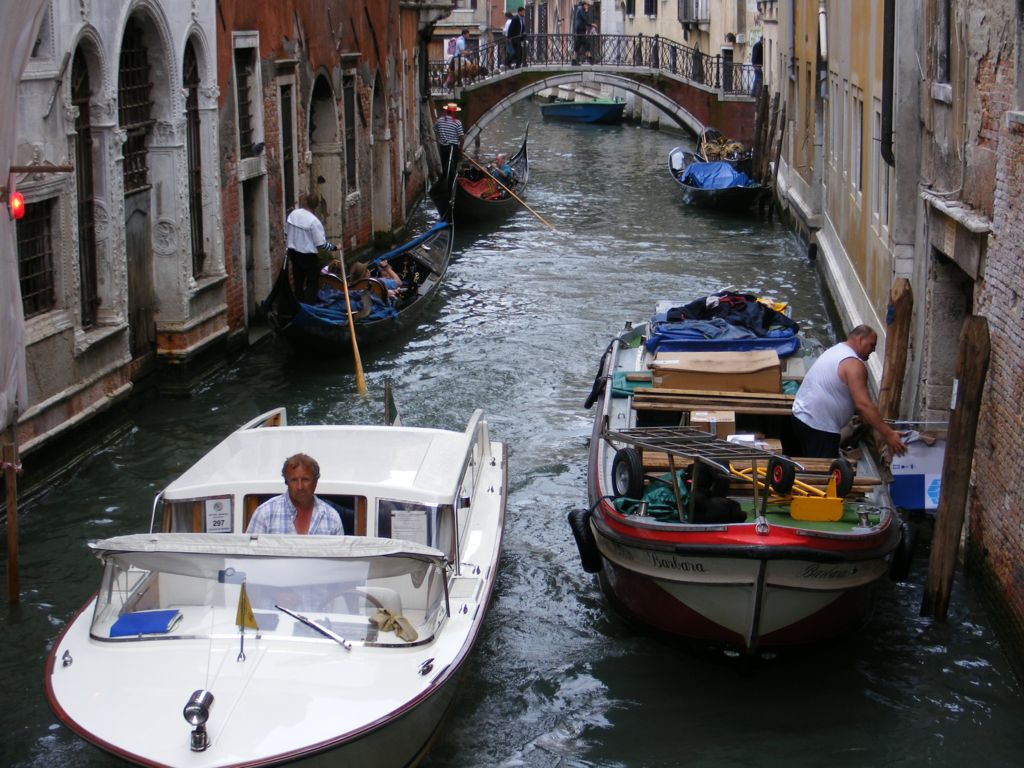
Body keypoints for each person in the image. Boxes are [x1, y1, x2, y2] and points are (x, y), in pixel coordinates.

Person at [791, 325, 908, 459]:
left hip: (800, 417)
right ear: (860, 339)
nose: (873, 350)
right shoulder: (854, 364)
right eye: (872, 345)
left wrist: (866, 417)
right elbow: (863, 404)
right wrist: (888, 434)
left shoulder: (837, 349)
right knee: (824, 475)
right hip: (819, 427)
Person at [246, 453, 344, 535]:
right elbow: (249, 555)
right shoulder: (265, 514)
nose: (300, 487)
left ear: (315, 481)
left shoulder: (332, 518)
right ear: (286, 482)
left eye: (305, 480)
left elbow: (340, 556)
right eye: (294, 480)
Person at [285, 191, 339, 303]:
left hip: (293, 254)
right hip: (308, 257)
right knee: (312, 282)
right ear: (316, 206)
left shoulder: (293, 214)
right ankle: (308, 306)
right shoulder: (314, 222)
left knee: (298, 281)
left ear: (305, 202)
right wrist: (336, 248)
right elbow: (321, 244)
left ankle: (298, 305)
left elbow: (286, 233)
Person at [433, 102, 464, 190]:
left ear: (447, 111)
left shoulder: (439, 120)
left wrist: (441, 137)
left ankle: (446, 184)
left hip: (443, 147)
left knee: (445, 165)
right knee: (453, 166)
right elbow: (462, 138)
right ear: (454, 112)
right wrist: (460, 149)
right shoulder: (457, 122)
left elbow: (435, 129)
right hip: (453, 148)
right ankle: (453, 185)